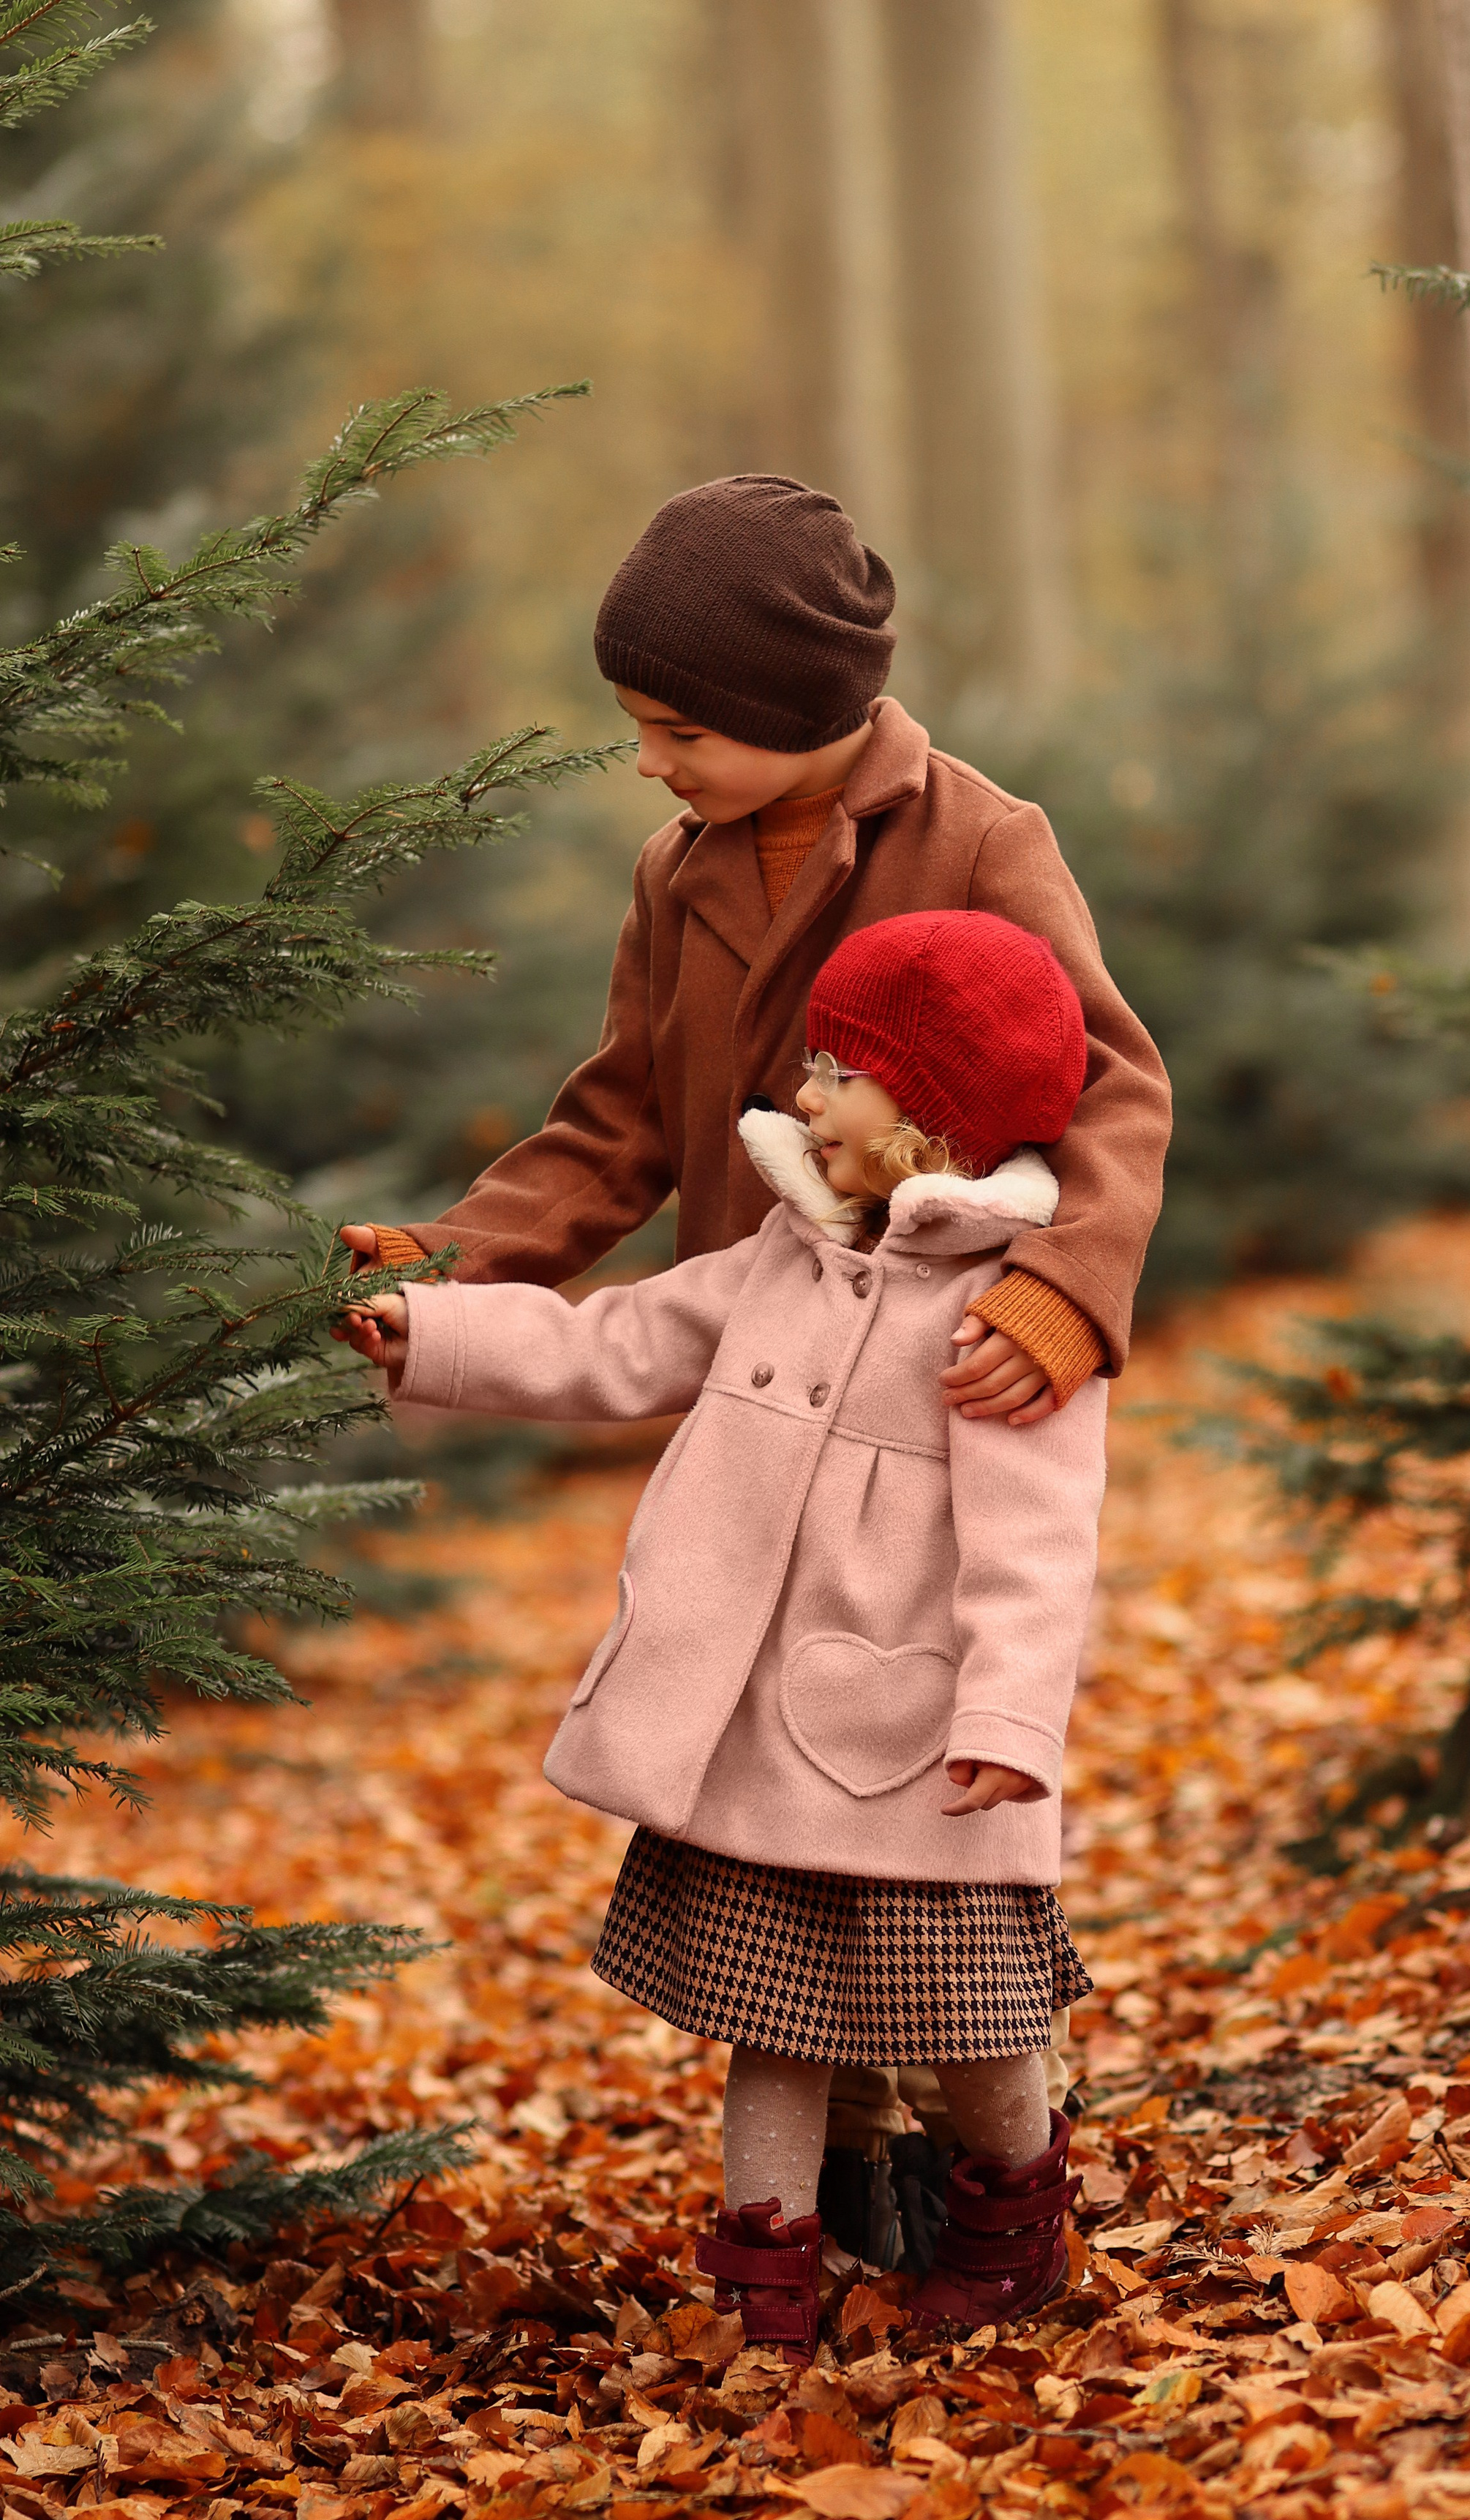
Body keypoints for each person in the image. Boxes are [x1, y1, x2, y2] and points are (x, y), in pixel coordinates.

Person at [338, 471, 1170, 2246]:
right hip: (764, 1365)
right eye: (637, 726)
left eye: (677, 727)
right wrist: (459, 1263)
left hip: (943, 1377)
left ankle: (953, 2171)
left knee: (884, 1748)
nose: (649, 761)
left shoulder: (980, 840)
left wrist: (1063, 1297)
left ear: (805, 716)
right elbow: (623, 1115)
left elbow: (1112, 1088)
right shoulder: (680, 866)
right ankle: (846, 2167)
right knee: (774, 1776)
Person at [342, 911, 1106, 2361]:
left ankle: (1011, 2220)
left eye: (838, 1074)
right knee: (776, 2012)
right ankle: (765, 2275)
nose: (801, 1098)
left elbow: (1037, 1545)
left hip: (915, 1738)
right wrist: (427, 1331)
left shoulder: (1011, 1314)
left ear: (929, 1117)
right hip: (755, 1733)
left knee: (971, 2011)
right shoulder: (784, 1254)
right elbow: (611, 1339)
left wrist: (1009, 1719)